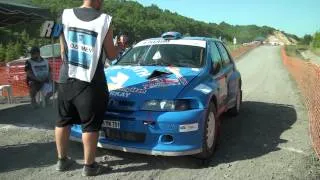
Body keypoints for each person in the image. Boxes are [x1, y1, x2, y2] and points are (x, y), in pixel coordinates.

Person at [55, 0, 124, 176]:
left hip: (65, 78)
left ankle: (62, 161)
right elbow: (111, 54)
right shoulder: (105, 20)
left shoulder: (65, 14)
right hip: (91, 82)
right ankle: (89, 166)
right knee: (90, 125)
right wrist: (121, 45)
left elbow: (62, 48)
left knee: (63, 120)